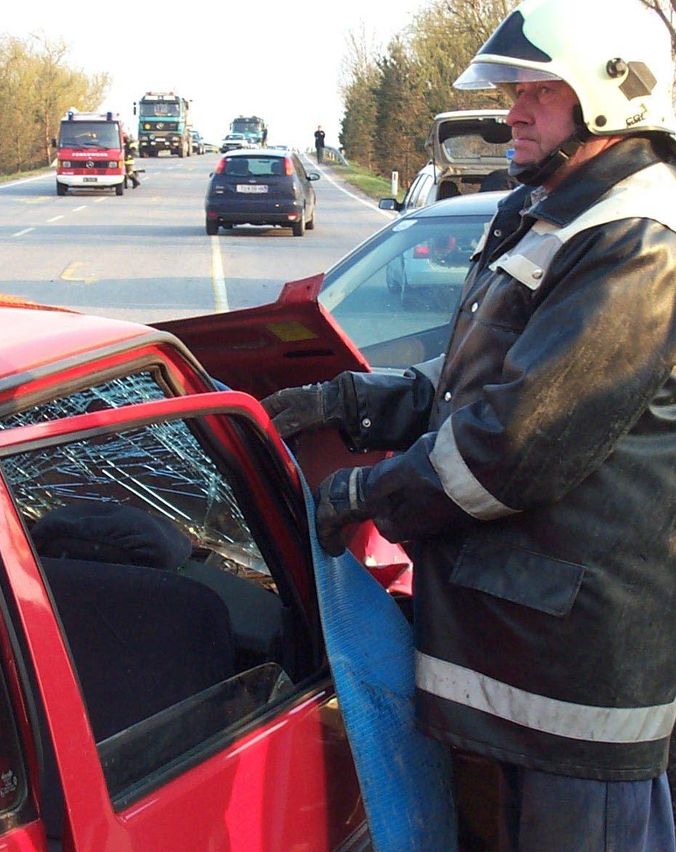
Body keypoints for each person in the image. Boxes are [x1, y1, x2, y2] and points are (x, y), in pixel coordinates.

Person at [263, 1, 676, 848]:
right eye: (514, 91)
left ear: (614, 97)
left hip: (579, 684)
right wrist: (351, 401)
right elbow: (474, 384)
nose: (513, 111)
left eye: (540, 91)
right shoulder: (556, 210)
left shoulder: (637, 238)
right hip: (526, 662)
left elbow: (516, 442)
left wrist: (367, 493)